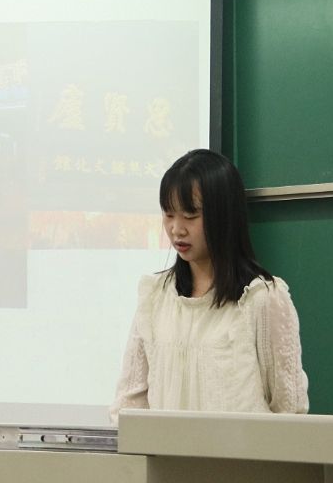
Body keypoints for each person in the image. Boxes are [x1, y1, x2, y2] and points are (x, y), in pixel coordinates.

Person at [110, 149, 309, 422]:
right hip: (168, 451)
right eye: (169, 214)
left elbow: (290, 410)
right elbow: (128, 405)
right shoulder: (155, 296)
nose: (177, 229)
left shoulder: (262, 298)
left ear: (224, 215)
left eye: (190, 215)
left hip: (240, 452)